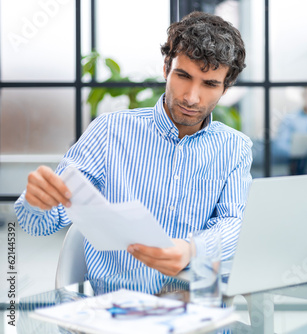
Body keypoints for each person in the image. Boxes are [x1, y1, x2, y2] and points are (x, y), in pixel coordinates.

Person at [14, 12, 252, 287]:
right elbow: (39, 224)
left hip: (197, 313)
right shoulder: (108, 131)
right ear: (166, 68)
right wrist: (37, 201)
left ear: (226, 87)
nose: (191, 97)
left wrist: (192, 250)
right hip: (118, 313)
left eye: (209, 84)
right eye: (183, 76)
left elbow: (234, 223)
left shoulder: (235, 147)